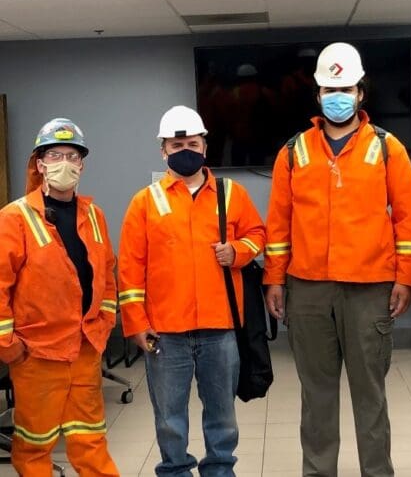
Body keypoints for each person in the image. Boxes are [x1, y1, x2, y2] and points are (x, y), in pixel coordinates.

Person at [264, 42, 411, 477]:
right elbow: (278, 225)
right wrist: (274, 279)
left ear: (361, 93)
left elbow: (409, 221)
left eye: (346, 87)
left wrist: (406, 278)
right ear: (317, 94)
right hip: (308, 291)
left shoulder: (389, 149)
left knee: (370, 396)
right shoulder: (293, 152)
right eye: (330, 88)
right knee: (316, 397)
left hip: (370, 290)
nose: (338, 95)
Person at [118, 105, 265, 477]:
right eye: (177, 143)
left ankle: (219, 470)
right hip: (165, 333)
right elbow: (130, 269)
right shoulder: (144, 202)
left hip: (220, 326)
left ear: (205, 146)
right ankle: (175, 470)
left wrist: (238, 252)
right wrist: (135, 322)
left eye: (193, 142)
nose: (185, 149)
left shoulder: (231, 193)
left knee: (222, 413)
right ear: (163, 150)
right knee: (169, 417)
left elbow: (257, 235)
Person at [0, 118, 119, 476]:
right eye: (55, 154)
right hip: (36, 353)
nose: (64, 163)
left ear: (82, 164)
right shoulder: (14, 218)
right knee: (35, 445)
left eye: (72, 155)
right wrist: (7, 345)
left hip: (84, 349)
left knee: (91, 440)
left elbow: (107, 278)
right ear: (40, 164)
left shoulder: (94, 216)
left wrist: (104, 323)